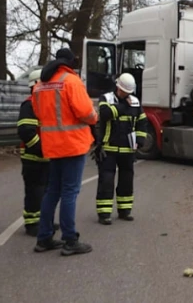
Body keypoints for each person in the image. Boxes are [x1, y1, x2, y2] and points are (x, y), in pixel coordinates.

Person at [32, 48, 99, 256]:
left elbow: (37, 112)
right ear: (70, 62)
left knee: (53, 191)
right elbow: (86, 112)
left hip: (53, 145)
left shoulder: (40, 85)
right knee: (70, 192)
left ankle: (44, 238)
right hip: (72, 144)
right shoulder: (71, 81)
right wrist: (94, 118)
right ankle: (70, 239)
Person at [93, 73, 148, 225]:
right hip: (108, 149)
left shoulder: (135, 102)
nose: (127, 95)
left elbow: (142, 121)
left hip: (127, 150)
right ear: (118, 88)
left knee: (126, 181)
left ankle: (125, 211)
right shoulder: (106, 99)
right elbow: (105, 114)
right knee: (107, 181)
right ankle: (104, 213)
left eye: (129, 92)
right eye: (125, 92)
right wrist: (124, 106)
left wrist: (141, 139)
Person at [18, 69, 52, 237]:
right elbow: (26, 131)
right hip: (33, 157)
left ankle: (45, 221)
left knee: (46, 191)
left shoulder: (43, 103)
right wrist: (41, 149)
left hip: (46, 157)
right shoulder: (30, 104)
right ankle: (32, 224)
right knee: (34, 192)